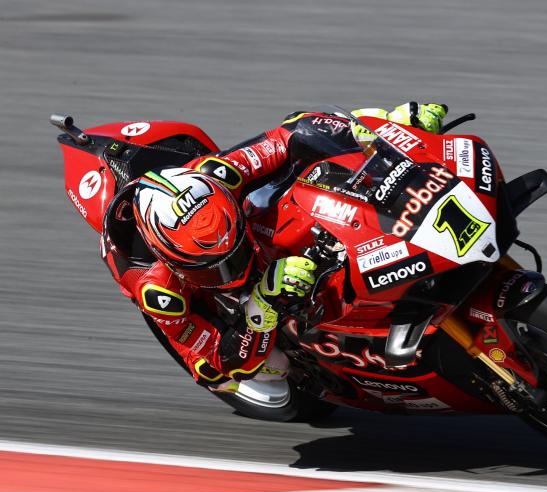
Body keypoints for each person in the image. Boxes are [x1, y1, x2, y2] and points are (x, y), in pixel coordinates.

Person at [105, 102, 448, 393]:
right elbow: (214, 364)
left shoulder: (220, 174)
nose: (233, 269)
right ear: (173, 261)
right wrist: (262, 303)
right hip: (240, 326)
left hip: (254, 227)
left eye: (234, 253)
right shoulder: (158, 290)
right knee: (263, 369)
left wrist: (386, 126)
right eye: (216, 267)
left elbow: (297, 130)